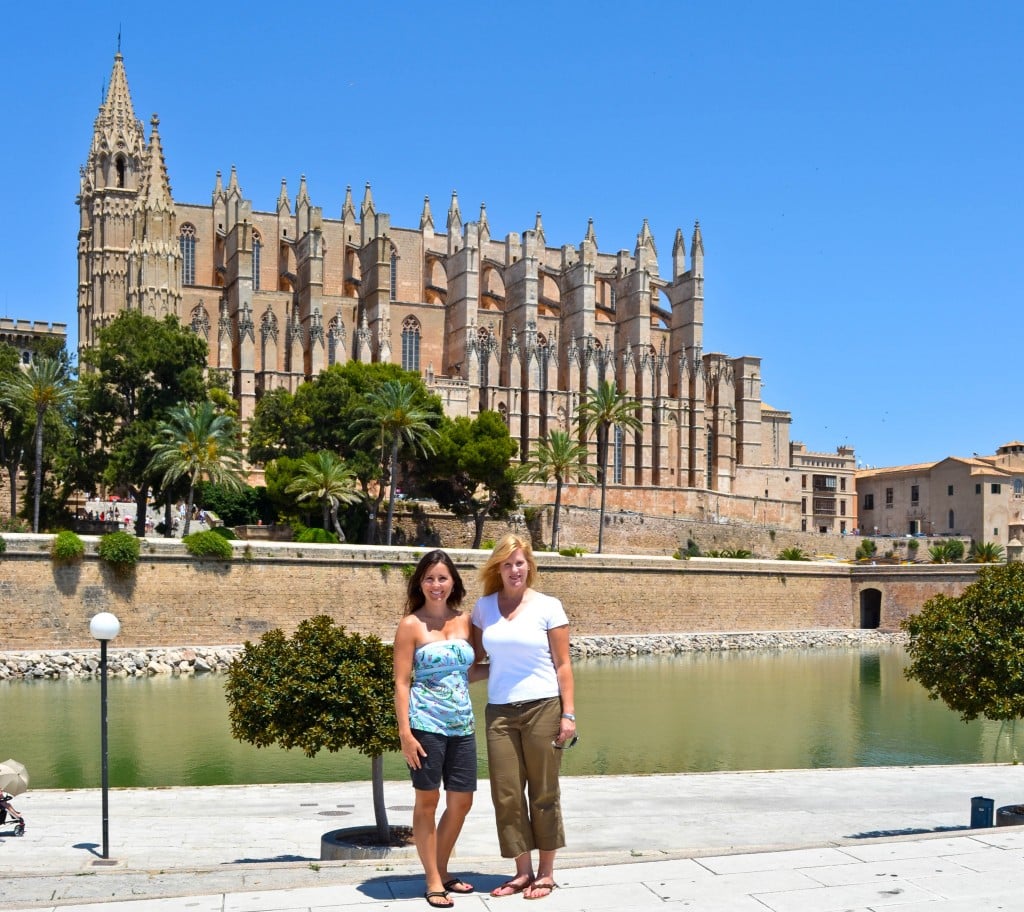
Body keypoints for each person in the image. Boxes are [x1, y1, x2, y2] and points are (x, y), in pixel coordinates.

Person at [470, 534, 576, 901]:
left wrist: (569, 715)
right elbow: (474, 661)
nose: (515, 570)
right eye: (507, 564)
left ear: (529, 565)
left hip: (544, 707)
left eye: (520, 563)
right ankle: (521, 871)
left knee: (544, 792)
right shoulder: (483, 608)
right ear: (497, 569)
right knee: (507, 794)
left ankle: (545, 873)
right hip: (499, 711)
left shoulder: (549, 606)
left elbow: (563, 665)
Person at [394, 549, 484, 909]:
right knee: (427, 800)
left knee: (462, 801)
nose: (436, 585)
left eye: (442, 578)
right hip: (425, 725)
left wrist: (518, 670)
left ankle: (441, 868)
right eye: (429, 578)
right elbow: (402, 682)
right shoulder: (410, 625)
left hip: (462, 724)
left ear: (453, 583)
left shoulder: (466, 622)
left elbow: (472, 671)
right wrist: (405, 734)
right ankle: (433, 879)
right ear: (420, 582)